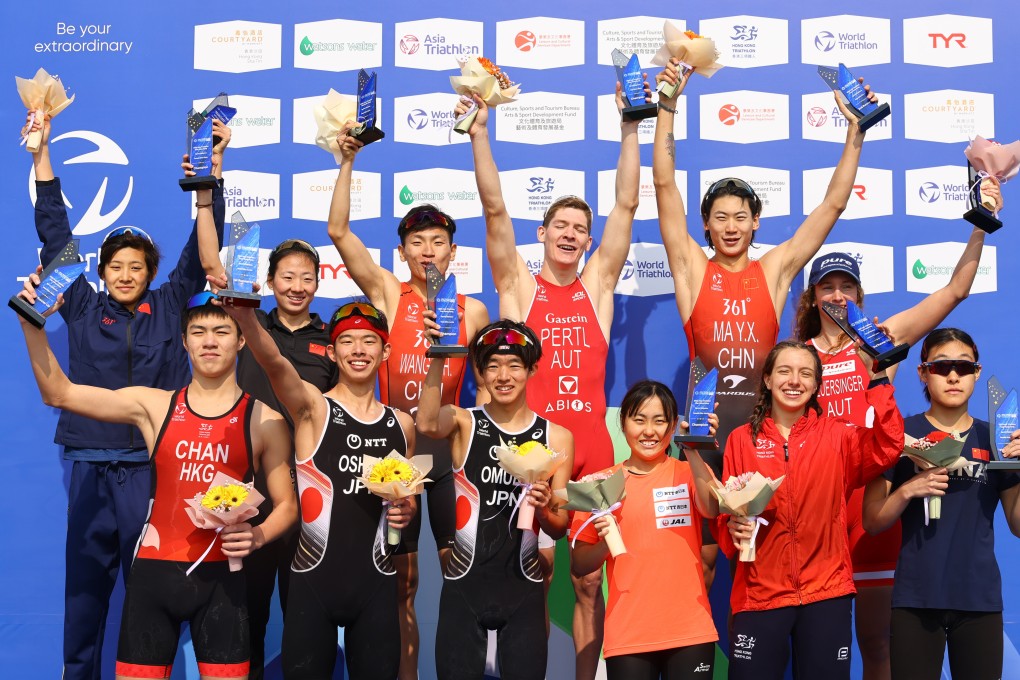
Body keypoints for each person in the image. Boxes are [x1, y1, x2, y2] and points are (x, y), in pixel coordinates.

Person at [652, 60, 875, 589]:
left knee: (773, 551)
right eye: (720, 218)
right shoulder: (691, 267)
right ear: (706, 224)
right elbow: (663, 185)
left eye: (741, 217)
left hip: (763, 434)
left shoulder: (773, 272)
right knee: (703, 561)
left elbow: (833, 205)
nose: (731, 227)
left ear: (756, 223)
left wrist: (855, 131)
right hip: (705, 433)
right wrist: (666, 105)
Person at [22, 110, 228, 680]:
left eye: (136, 266)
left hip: (149, 469)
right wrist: (41, 156)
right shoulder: (83, 303)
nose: (125, 274)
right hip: (90, 463)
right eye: (116, 266)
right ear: (102, 270)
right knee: (84, 594)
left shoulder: (169, 305)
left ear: (151, 271)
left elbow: (201, 248)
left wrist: (214, 169)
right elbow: (54, 233)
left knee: (151, 593)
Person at [457, 80, 642, 678]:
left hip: (589, 456)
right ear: (542, 234)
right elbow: (492, 209)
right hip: (526, 458)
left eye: (578, 228)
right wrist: (480, 133)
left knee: (590, 587)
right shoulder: (519, 287)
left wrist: (631, 125)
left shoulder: (598, 288)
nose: (569, 233)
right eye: (558, 224)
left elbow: (627, 207)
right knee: (529, 585)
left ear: (588, 241)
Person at [16, 291, 297, 680]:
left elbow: (288, 505)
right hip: (152, 579)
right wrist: (31, 324)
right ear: (184, 342)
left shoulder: (264, 419)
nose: (210, 341)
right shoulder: (155, 406)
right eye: (198, 332)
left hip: (223, 584)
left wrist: (260, 535)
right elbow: (59, 393)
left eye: (221, 331)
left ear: (241, 339)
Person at [327, 125, 490, 679]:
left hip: (447, 461)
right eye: (416, 242)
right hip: (395, 462)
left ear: (452, 249)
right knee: (401, 582)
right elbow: (338, 229)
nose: (427, 250)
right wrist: (347, 161)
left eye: (437, 241)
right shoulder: (389, 295)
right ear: (402, 251)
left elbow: (488, 393)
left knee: (458, 577)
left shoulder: (472, 312)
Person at [793, 226, 989, 680]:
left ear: (859, 294)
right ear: (812, 297)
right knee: (818, 648)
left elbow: (955, 290)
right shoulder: (796, 358)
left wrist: (980, 226)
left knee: (878, 643)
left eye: (847, 287)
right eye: (827, 287)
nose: (837, 296)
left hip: (870, 508)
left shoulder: (881, 339)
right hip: (815, 508)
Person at [187, 150, 339, 676]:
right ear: (270, 280)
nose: (297, 286)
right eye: (287, 277)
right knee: (240, 615)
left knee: (304, 617)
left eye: (307, 278)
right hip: (240, 492)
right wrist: (208, 186)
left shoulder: (333, 341)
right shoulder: (246, 324)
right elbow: (211, 263)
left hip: (308, 496)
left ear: (319, 283)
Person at [217, 294, 417, 680]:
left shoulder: (401, 426)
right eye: (346, 341)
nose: (358, 350)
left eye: (369, 340)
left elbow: (393, 531)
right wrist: (245, 318)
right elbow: (274, 362)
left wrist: (402, 515)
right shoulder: (313, 408)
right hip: (314, 585)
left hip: (375, 587)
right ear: (331, 351)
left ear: (386, 350)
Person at [722, 340, 903, 679]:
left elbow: (889, 445)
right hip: (760, 594)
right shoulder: (740, 439)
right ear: (767, 379)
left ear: (817, 385)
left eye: (805, 373)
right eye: (785, 372)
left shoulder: (840, 437)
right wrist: (730, 526)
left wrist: (877, 381)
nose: (795, 381)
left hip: (827, 591)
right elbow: (727, 509)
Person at [416, 319, 574, 680]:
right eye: (493, 365)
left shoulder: (558, 436)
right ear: (481, 373)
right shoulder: (463, 423)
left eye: (515, 365)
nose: (503, 376)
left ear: (532, 369)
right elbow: (425, 423)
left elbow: (560, 525)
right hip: (464, 585)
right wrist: (438, 356)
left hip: (524, 589)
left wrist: (546, 506)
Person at [862, 328, 1020, 680]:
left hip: (978, 600)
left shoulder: (994, 437)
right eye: (941, 366)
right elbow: (872, 521)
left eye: (963, 367)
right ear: (923, 372)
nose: (952, 376)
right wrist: (908, 489)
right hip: (916, 600)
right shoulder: (898, 434)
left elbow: (1017, 524)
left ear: (977, 374)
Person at [570, 380, 719, 679]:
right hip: (628, 637)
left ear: (673, 425)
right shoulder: (600, 484)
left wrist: (692, 447)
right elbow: (578, 565)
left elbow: (711, 509)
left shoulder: (689, 472)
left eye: (660, 421)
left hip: (691, 632)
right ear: (623, 422)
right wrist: (604, 543)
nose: (649, 431)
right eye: (639, 420)